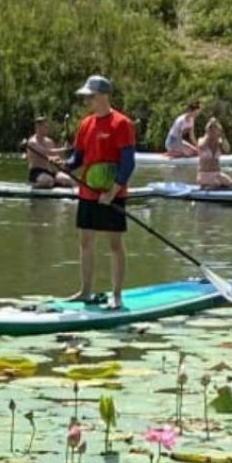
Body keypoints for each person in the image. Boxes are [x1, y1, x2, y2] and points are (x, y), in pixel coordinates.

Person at [57, 75, 136, 309]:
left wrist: (113, 191)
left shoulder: (122, 124)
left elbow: (128, 163)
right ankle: (85, 291)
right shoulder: (86, 124)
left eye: (90, 96)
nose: (87, 101)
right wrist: (65, 165)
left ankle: (117, 295)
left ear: (102, 96)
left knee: (115, 244)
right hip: (88, 193)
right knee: (85, 242)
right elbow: (78, 157)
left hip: (113, 194)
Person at [26, 117, 75, 188]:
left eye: (47, 127)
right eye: (45, 127)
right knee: (47, 181)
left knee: (68, 180)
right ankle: (35, 185)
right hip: (37, 171)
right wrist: (64, 149)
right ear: (38, 127)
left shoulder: (49, 141)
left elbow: (55, 156)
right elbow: (46, 151)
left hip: (51, 171)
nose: (47, 129)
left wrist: (57, 160)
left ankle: (54, 184)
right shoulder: (32, 142)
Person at [197, 117, 232, 189]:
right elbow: (201, 146)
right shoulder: (202, 140)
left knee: (230, 183)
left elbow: (227, 149)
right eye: (211, 129)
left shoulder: (220, 142)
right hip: (204, 174)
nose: (213, 132)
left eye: (215, 129)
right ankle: (206, 186)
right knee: (216, 184)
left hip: (217, 173)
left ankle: (216, 187)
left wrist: (222, 136)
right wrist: (208, 134)